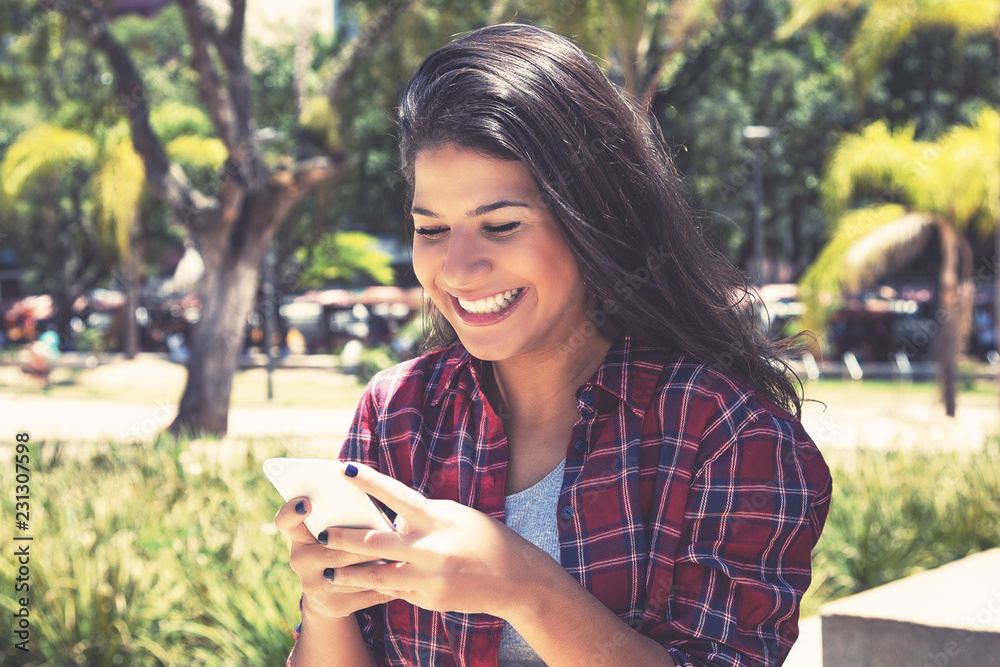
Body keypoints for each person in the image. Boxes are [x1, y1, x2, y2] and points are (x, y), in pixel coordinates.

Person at [275, 23, 831, 667]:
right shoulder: (398, 413)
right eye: (431, 229)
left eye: (501, 225)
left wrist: (525, 590)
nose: (457, 269)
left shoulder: (725, 434)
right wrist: (325, 601)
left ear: (592, 217)